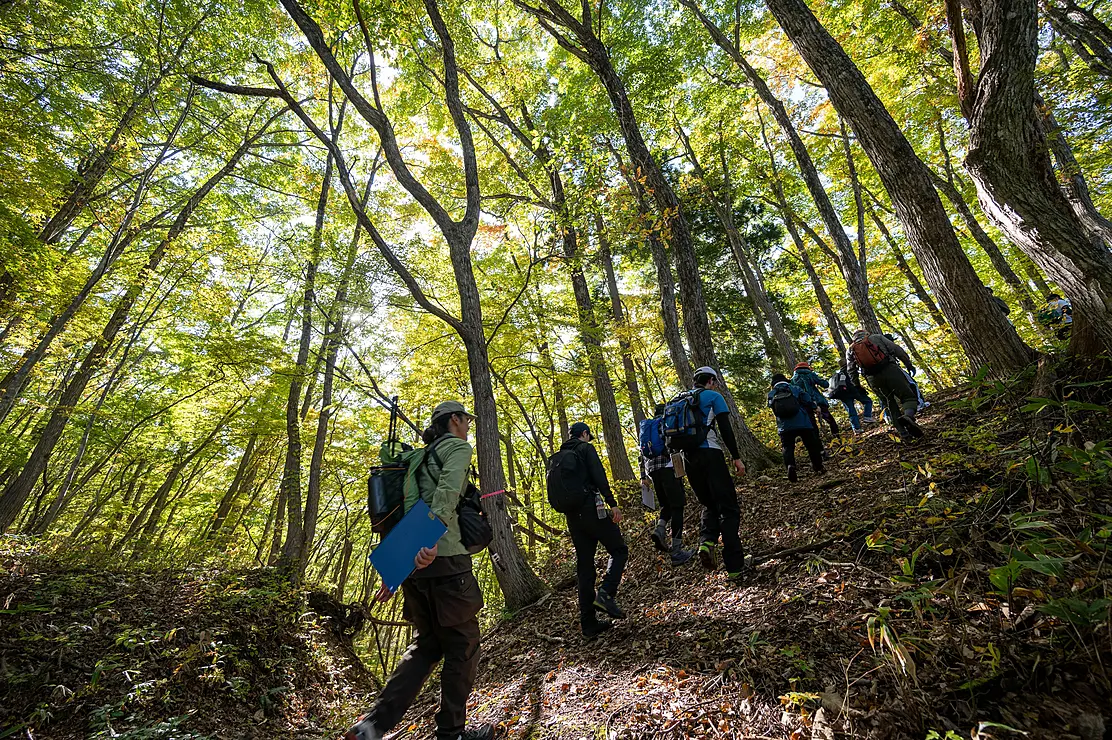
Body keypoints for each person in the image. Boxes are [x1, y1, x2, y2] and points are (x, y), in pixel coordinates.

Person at [344, 401, 493, 740]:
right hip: (444, 557)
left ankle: (372, 725)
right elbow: (448, 492)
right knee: (464, 644)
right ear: (454, 421)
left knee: (427, 645)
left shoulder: (415, 457)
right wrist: (435, 536)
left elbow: (405, 506)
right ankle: (451, 733)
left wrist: (396, 568)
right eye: (465, 420)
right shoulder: (456, 447)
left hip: (414, 563)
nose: (468, 426)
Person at [560, 421, 629, 639]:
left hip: (573, 516)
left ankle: (588, 624)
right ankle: (606, 593)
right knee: (619, 550)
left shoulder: (559, 457)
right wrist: (612, 502)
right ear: (585, 434)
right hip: (592, 508)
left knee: (585, 567)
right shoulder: (585, 449)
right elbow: (599, 476)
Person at [683, 367, 748, 583]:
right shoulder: (713, 396)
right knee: (728, 509)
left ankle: (706, 541)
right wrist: (736, 457)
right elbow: (726, 428)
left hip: (688, 459)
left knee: (709, 505)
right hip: (711, 453)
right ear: (710, 380)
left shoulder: (680, 400)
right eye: (715, 381)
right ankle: (735, 567)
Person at [640, 403, 694, 566]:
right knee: (677, 507)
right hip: (669, 468)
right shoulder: (667, 423)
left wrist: (644, 477)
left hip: (653, 471)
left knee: (666, 506)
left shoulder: (647, 429)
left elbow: (641, 455)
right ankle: (677, 551)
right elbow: (676, 445)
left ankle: (660, 529)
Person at [846, 330, 924, 440]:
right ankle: (908, 416)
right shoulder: (877, 337)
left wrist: (857, 386)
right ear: (866, 334)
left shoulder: (850, 349)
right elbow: (897, 350)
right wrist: (908, 363)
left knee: (889, 404)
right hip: (890, 369)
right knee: (908, 397)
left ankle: (903, 434)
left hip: (872, 378)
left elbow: (851, 370)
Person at [768, 373, 825, 482]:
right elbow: (807, 400)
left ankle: (790, 466)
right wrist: (815, 407)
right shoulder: (794, 388)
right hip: (803, 422)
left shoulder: (771, 393)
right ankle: (818, 467)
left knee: (787, 447)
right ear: (785, 380)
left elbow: (771, 406)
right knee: (811, 445)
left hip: (784, 426)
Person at [790, 361, 840, 438]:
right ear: (807, 368)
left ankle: (818, 442)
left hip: (805, 404)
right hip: (818, 400)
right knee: (829, 419)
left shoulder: (793, 380)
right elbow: (825, 384)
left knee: (812, 423)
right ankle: (836, 436)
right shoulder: (810, 374)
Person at [827, 363, 875, 434]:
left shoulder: (838, 374)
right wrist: (860, 389)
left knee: (851, 411)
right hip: (852, 391)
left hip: (843, 394)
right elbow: (853, 381)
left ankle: (856, 428)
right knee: (868, 401)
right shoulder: (848, 370)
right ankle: (867, 416)